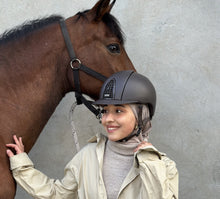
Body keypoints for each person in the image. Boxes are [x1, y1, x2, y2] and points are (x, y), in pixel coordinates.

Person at [6, 70, 178, 199]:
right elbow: (57, 194)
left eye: (118, 110)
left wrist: (150, 162)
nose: (107, 119)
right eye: (104, 111)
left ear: (142, 115)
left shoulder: (164, 166)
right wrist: (21, 165)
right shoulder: (87, 156)